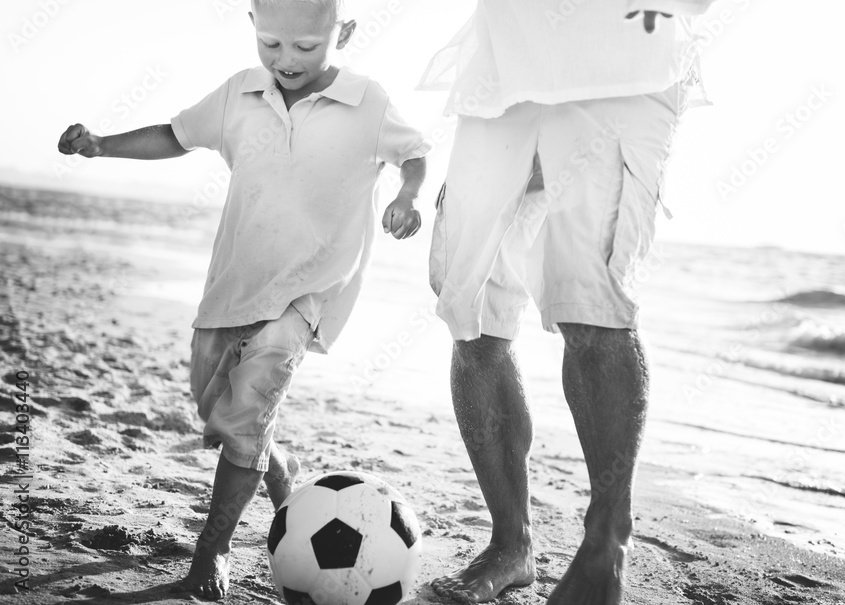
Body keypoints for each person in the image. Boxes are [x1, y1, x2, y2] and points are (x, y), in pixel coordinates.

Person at [56, 0, 431, 599]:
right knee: (220, 412)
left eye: (307, 47)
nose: (287, 60)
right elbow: (176, 136)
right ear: (254, 27)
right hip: (233, 287)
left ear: (346, 33)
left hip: (307, 292)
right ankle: (285, 479)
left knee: (245, 409)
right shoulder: (238, 94)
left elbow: (415, 153)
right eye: (273, 44)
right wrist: (102, 143)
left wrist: (408, 195)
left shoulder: (368, 102)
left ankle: (213, 554)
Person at [419, 1, 717, 603]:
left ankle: (605, 547)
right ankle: (511, 545)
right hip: (501, 75)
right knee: (471, 311)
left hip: (624, 69)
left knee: (593, 308)